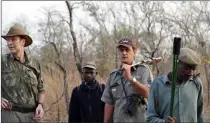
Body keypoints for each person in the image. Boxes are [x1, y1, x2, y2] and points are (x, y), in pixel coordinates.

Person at [101, 38, 153, 122]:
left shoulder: (143, 70)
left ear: (134, 52)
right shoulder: (113, 75)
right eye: (121, 50)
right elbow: (109, 103)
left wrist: (130, 79)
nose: (124, 53)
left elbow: (149, 94)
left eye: (127, 50)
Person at [1, 24, 46, 122]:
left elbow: (41, 89)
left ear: (23, 42)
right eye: (8, 40)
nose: (9, 43)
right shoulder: (2, 61)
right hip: (10, 115)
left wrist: (40, 105)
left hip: (32, 116)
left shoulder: (35, 62)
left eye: (13, 39)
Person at [146, 48, 204, 123]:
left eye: (193, 69)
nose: (191, 73)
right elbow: (150, 118)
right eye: (186, 68)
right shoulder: (158, 85)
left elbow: (200, 115)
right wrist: (164, 122)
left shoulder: (196, 83)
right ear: (176, 64)